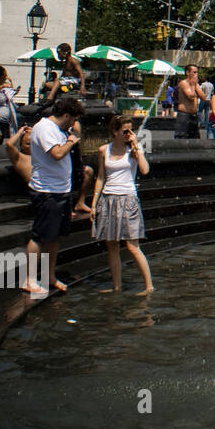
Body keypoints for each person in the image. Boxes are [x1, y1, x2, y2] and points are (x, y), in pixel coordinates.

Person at [22, 96, 84, 295]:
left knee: (54, 237)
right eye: (73, 119)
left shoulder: (58, 129)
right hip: (47, 191)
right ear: (66, 115)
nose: (74, 124)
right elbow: (56, 154)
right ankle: (29, 279)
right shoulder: (45, 129)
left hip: (60, 190)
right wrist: (71, 141)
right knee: (40, 235)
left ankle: (49, 276)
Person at [90, 115, 153, 295]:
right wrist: (94, 203)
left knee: (133, 245)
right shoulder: (104, 150)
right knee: (112, 246)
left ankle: (149, 286)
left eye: (131, 130)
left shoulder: (133, 150)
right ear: (115, 131)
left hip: (128, 198)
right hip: (108, 198)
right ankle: (116, 286)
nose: (129, 134)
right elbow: (101, 177)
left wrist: (137, 148)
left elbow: (145, 170)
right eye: (125, 131)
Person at [173, 64, 201, 139]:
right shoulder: (184, 83)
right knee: (181, 137)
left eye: (197, 72)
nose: (196, 74)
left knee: (195, 138)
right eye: (194, 72)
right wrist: (194, 86)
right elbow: (191, 96)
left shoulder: (195, 84)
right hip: (184, 115)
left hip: (194, 115)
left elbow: (203, 97)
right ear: (187, 73)